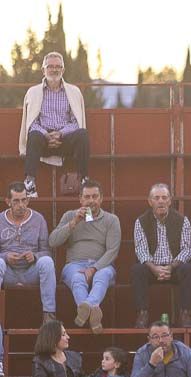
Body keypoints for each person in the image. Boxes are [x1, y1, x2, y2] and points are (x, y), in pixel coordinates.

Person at [47, 179, 118, 334]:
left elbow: (113, 250)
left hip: (102, 265)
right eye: (87, 197)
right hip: (74, 264)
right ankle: (93, 312)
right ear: (80, 199)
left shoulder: (111, 220)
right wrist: (73, 223)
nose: (91, 201)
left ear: (101, 198)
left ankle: (86, 308)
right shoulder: (70, 216)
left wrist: (94, 268)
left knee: (103, 275)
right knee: (78, 278)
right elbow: (53, 241)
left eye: (94, 196)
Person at [19, 52, 88, 198]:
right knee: (34, 135)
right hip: (43, 141)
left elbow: (77, 121)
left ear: (63, 70)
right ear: (43, 70)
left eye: (58, 66)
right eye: (50, 66)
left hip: (65, 139)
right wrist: (46, 134)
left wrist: (60, 133)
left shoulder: (74, 92)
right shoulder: (33, 92)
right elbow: (31, 122)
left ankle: (84, 181)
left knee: (82, 134)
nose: (54, 69)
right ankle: (29, 183)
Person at [132, 183, 191, 329]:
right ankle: (142, 313)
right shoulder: (141, 221)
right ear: (150, 201)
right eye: (157, 198)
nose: (161, 201)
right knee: (137, 270)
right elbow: (141, 250)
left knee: (188, 270)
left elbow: (187, 249)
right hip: (151, 268)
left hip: (174, 267)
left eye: (164, 197)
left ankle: (185, 313)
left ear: (169, 201)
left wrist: (170, 267)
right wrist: (154, 268)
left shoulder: (182, 220)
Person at [0, 180, 56, 323]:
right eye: (16, 201)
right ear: (8, 201)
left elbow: (46, 251)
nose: (21, 205)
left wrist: (36, 256)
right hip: (8, 273)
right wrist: (5, 257)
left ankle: (49, 315)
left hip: (31, 272)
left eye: (24, 200)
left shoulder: (38, 219)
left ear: (28, 199)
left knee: (47, 262)